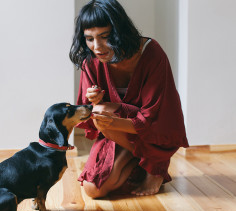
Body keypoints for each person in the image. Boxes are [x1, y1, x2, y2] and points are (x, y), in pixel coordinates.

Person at [69, 0, 189, 198]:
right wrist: (94, 101)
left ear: (119, 31)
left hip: (154, 129)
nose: (97, 47)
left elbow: (155, 115)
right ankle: (140, 160)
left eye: (105, 37)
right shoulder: (90, 60)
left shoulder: (151, 53)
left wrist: (107, 115)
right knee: (92, 189)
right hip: (118, 133)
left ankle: (155, 167)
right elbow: (87, 116)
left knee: (102, 112)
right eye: (89, 39)